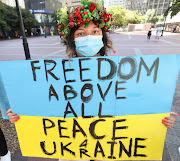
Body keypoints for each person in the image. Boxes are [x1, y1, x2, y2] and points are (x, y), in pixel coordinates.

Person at [6, 0, 179, 160]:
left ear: (102, 37)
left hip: (109, 146)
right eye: (81, 33)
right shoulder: (58, 74)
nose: (88, 37)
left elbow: (135, 100)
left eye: (95, 32)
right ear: (72, 40)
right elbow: (45, 102)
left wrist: (158, 116)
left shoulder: (122, 73)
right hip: (73, 147)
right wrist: (22, 114)